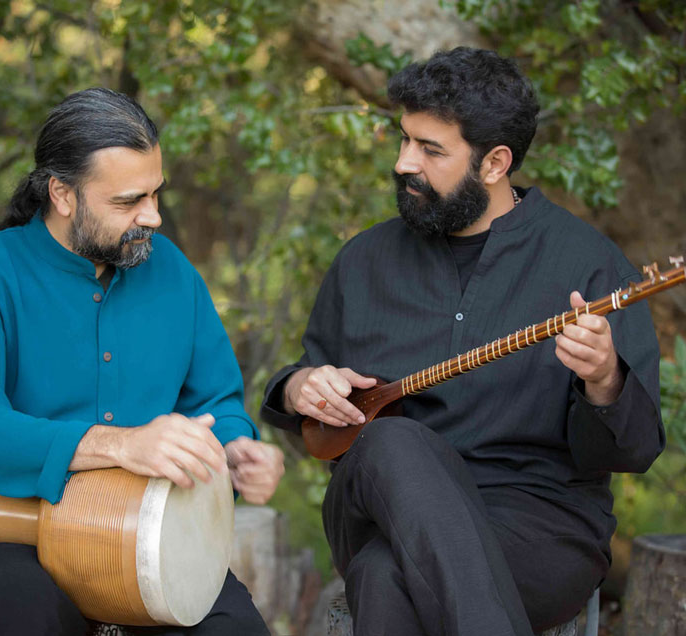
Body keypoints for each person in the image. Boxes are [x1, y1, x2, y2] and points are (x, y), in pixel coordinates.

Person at [261, 47, 664, 636]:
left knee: (383, 579)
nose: (403, 163)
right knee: (393, 441)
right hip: (375, 511)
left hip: (536, 528)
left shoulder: (588, 265)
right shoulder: (363, 262)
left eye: (430, 150)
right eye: (404, 140)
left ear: (495, 162)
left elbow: (634, 451)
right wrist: (302, 387)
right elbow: (310, 394)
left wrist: (604, 380)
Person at [0, 87, 283, 636]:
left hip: (153, 532)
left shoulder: (173, 272)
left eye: (156, 194)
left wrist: (233, 450)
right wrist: (120, 444)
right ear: (62, 194)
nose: (155, 217)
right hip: (16, 529)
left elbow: (217, 401)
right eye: (128, 201)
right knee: (33, 619)